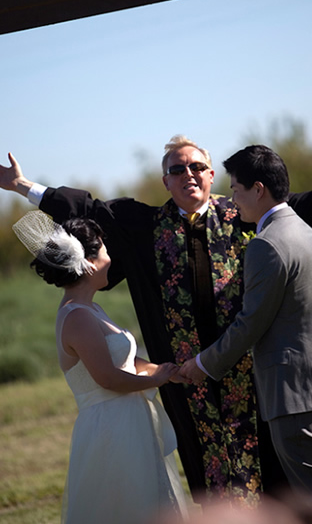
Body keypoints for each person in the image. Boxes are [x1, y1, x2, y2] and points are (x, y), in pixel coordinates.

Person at [0, 135, 312, 506]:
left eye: (196, 167)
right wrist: (22, 186)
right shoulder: (147, 228)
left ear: (211, 174)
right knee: (212, 485)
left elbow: (301, 205)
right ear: (165, 181)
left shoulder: (244, 216)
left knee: (277, 479)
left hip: (253, 377)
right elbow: (88, 208)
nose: (187, 175)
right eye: (176, 169)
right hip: (189, 384)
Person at [179, 145, 312, 493]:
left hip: (294, 393)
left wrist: (203, 363)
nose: (232, 200)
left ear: (258, 189)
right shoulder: (302, 230)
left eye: (236, 190)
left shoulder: (267, 244)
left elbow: (250, 323)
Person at [12, 212, 187, 524]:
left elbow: (125, 362)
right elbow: (107, 378)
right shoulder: (77, 316)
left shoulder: (92, 308)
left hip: (128, 421)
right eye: (104, 250)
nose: (110, 257)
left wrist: (162, 369)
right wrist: (157, 380)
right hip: (111, 429)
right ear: (89, 262)